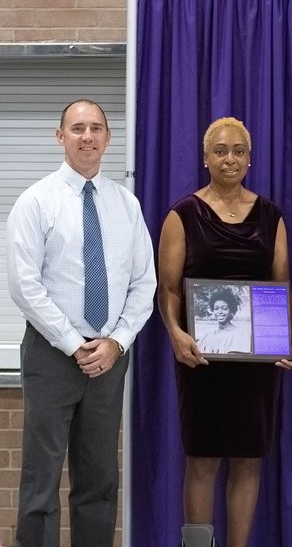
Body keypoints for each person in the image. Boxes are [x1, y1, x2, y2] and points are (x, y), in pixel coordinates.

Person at [7, 98, 156, 547]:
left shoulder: (125, 206)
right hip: (52, 356)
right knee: (41, 480)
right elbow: (24, 286)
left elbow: (143, 283)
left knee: (99, 480)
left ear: (108, 138)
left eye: (95, 128)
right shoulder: (36, 202)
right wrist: (74, 343)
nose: (87, 136)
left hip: (109, 360)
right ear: (60, 137)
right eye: (77, 129)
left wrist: (117, 342)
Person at [156, 116, 292, 547]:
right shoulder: (182, 214)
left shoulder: (270, 215)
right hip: (200, 358)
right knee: (201, 460)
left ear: (250, 159)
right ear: (205, 158)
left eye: (239, 151)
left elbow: (281, 285)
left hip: (256, 364)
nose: (230, 159)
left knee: (247, 461)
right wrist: (174, 333)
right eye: (220, 150)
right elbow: (167, 289)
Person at [194, 289, 251, 354]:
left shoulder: (239, 333)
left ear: (231, 311)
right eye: (216, 308)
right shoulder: (208, 335)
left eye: (224, 308)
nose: (220, 312)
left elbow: (234, 360)